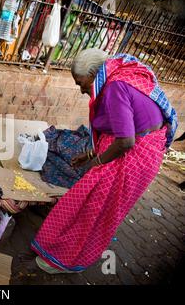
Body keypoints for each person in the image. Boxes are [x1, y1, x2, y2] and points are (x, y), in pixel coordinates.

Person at [30, 48, 178, 274]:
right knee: (89, 202)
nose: (81, 90)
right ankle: (60, 250)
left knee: (94, 207)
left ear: (94, 74)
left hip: (135, 158)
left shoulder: (116, 87)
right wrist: (90, 155)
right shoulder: (119, 76)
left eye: (82, 84)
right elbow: (121, 131)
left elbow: (126, 141)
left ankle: (65, 260)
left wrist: (97, 162)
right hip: (139, 150)